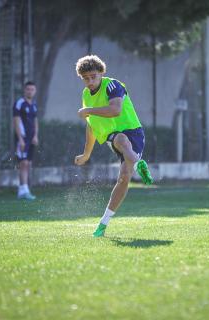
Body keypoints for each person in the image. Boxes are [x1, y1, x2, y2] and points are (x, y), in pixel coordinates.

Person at [74, 55, 153, 237]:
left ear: (101, 73)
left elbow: (115, 110)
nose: (90, 81)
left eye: (93, 76)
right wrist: (86, 154)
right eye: (86, 78)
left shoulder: (112, 85)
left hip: (134, 132)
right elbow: (91, 125)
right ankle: (139, 162)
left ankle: (103, 223)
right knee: (120, 139)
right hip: (114, 136)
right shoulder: (86, 95)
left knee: (124, 177)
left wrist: (88, 111)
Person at [13, 81, 39, 200]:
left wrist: (35, 136)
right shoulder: (19, 103)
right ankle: (24, 190)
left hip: (31, 138)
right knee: (22, 163)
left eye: (32, 89)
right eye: (28, 89)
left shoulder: (33, 105)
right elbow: (16, 121)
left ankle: (23, 189)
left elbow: (35, 122)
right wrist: (20, 139)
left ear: (35, 91)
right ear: (25, 90)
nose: (30, 91)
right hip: (22, 138)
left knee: (28, 163)